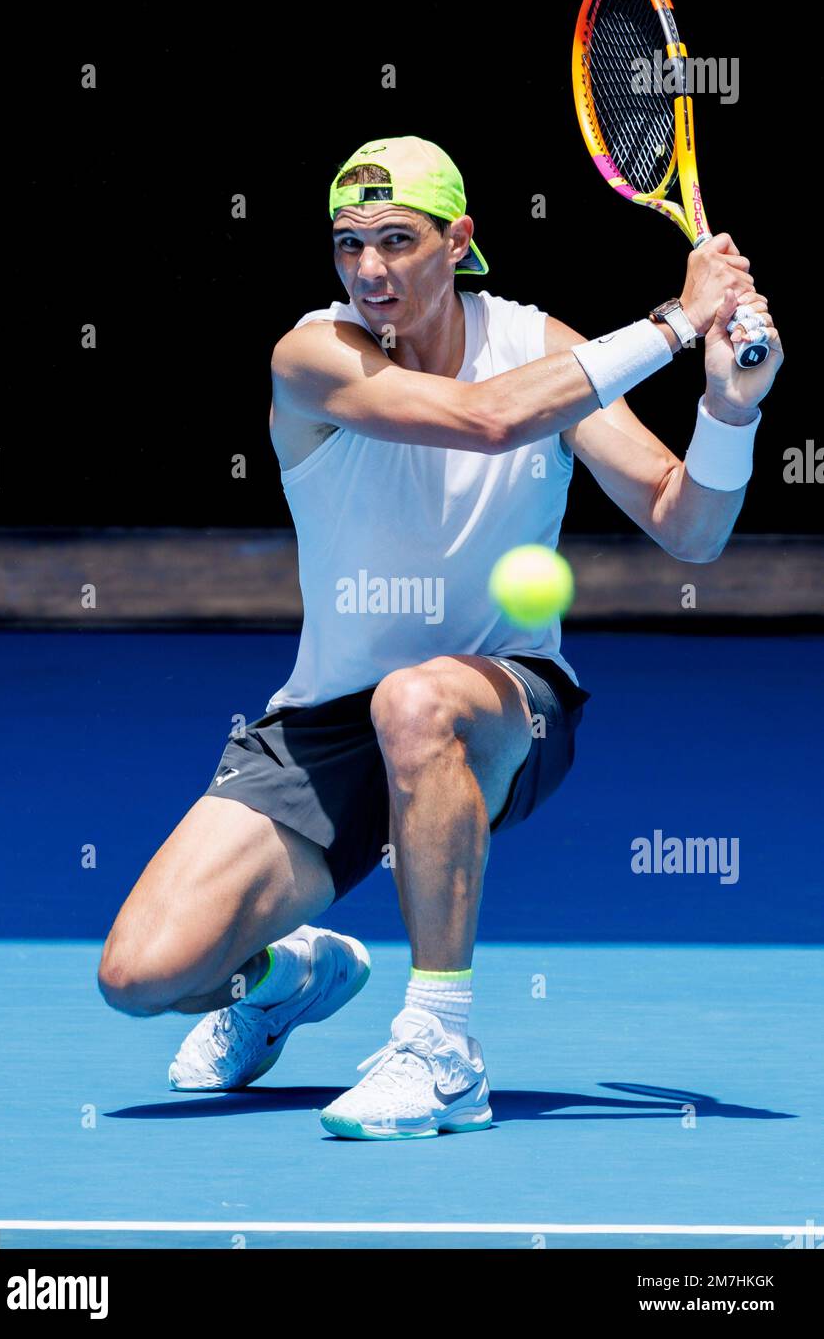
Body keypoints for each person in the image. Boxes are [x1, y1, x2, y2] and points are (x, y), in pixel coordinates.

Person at [97, 136, 782, 1140]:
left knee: (416, 699)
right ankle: (293, 973)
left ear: (459, 241)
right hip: (326, 725)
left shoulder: (545, 350)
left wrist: (728, 409)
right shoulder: (312, 355)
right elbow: (483, 420)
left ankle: (441, 1047)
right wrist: (677, 322)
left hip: (505, 704)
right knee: (139, 975)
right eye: (348, 243)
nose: (369, 269)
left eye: (397, 240)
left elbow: (691, 527)